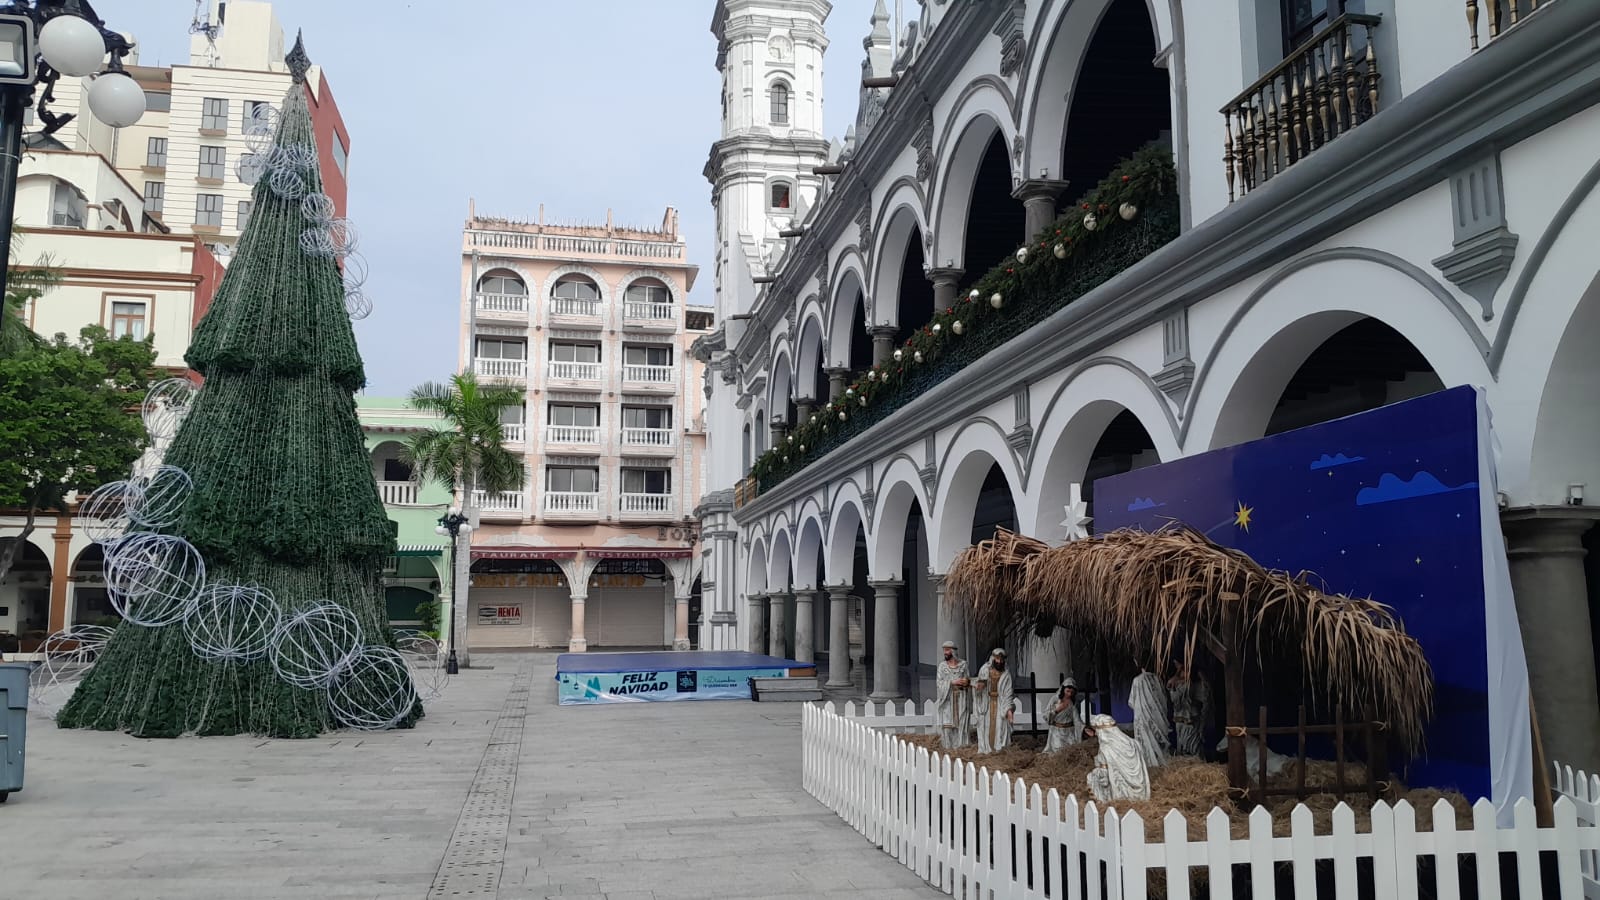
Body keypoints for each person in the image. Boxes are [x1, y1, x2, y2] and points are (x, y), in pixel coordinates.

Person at [1085, 714, 1151, 802]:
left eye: (1096, 731)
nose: (1096, 734)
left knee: (1091, 777)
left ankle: (1104, 800)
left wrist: (1095, 772)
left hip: (1121, 795)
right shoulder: (1134, 743)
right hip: (1141, 793)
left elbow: (1104, 779)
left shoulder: (1106, 749)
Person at [972, 647, 1015, 753]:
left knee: (1000, 726)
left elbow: (1008, 694)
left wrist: (1009, 710)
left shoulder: (1006, 675)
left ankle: (998, 750)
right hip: (986, 703)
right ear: (993, 658)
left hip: (1000, 703)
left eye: (1001, 659)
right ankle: (986, 750)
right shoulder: (985, 670)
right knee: (986, 726)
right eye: (997, 659)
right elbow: (978, 685)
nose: (999, 662)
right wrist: (979, 688)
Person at [1130, 666, 1171, 769]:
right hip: (1158, 717)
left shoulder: (1137, 680)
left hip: (1143, 718)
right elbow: (1164, 699)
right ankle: (1161, 764)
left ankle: (1149, 765)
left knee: (1146, 743)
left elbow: (1131, 702)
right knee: (1159, 742)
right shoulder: (1159, 679)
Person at [934, 640, 971, 749]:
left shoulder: (963, 664)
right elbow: (939, 683)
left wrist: (965, 682)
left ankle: (960, 747)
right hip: (948, 698)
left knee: (960, 723)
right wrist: (952, 682)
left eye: (947, 650)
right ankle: (947, 747)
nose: (945, 653)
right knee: (948, 724)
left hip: (961, 698)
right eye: (944, 650)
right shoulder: (942, 666)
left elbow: (968, 679)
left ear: (953, 651)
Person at [1168, 667, 1211, 757]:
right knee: (1182, 744)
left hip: (1191, 720)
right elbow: (1174, 698)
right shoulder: (1177, 685)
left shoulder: (1195, 685)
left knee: (1193, 746)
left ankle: (1195, 759)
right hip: (1180, 721)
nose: (1182, 673)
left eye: (1184, 671)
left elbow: (1205, 698)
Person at [1045, 677, 1088, 752]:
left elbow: (1076, 720)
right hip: (1057, 733)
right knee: (1059, 751)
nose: (1069, 694)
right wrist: (1056, 710)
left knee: (1072, 750)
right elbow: (1046, 716)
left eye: (1072, 692)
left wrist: (1084, 728)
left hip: (1069, 733)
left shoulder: (1072, 703)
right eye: (1067, 691)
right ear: (1063, 689)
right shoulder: (1055, 699)